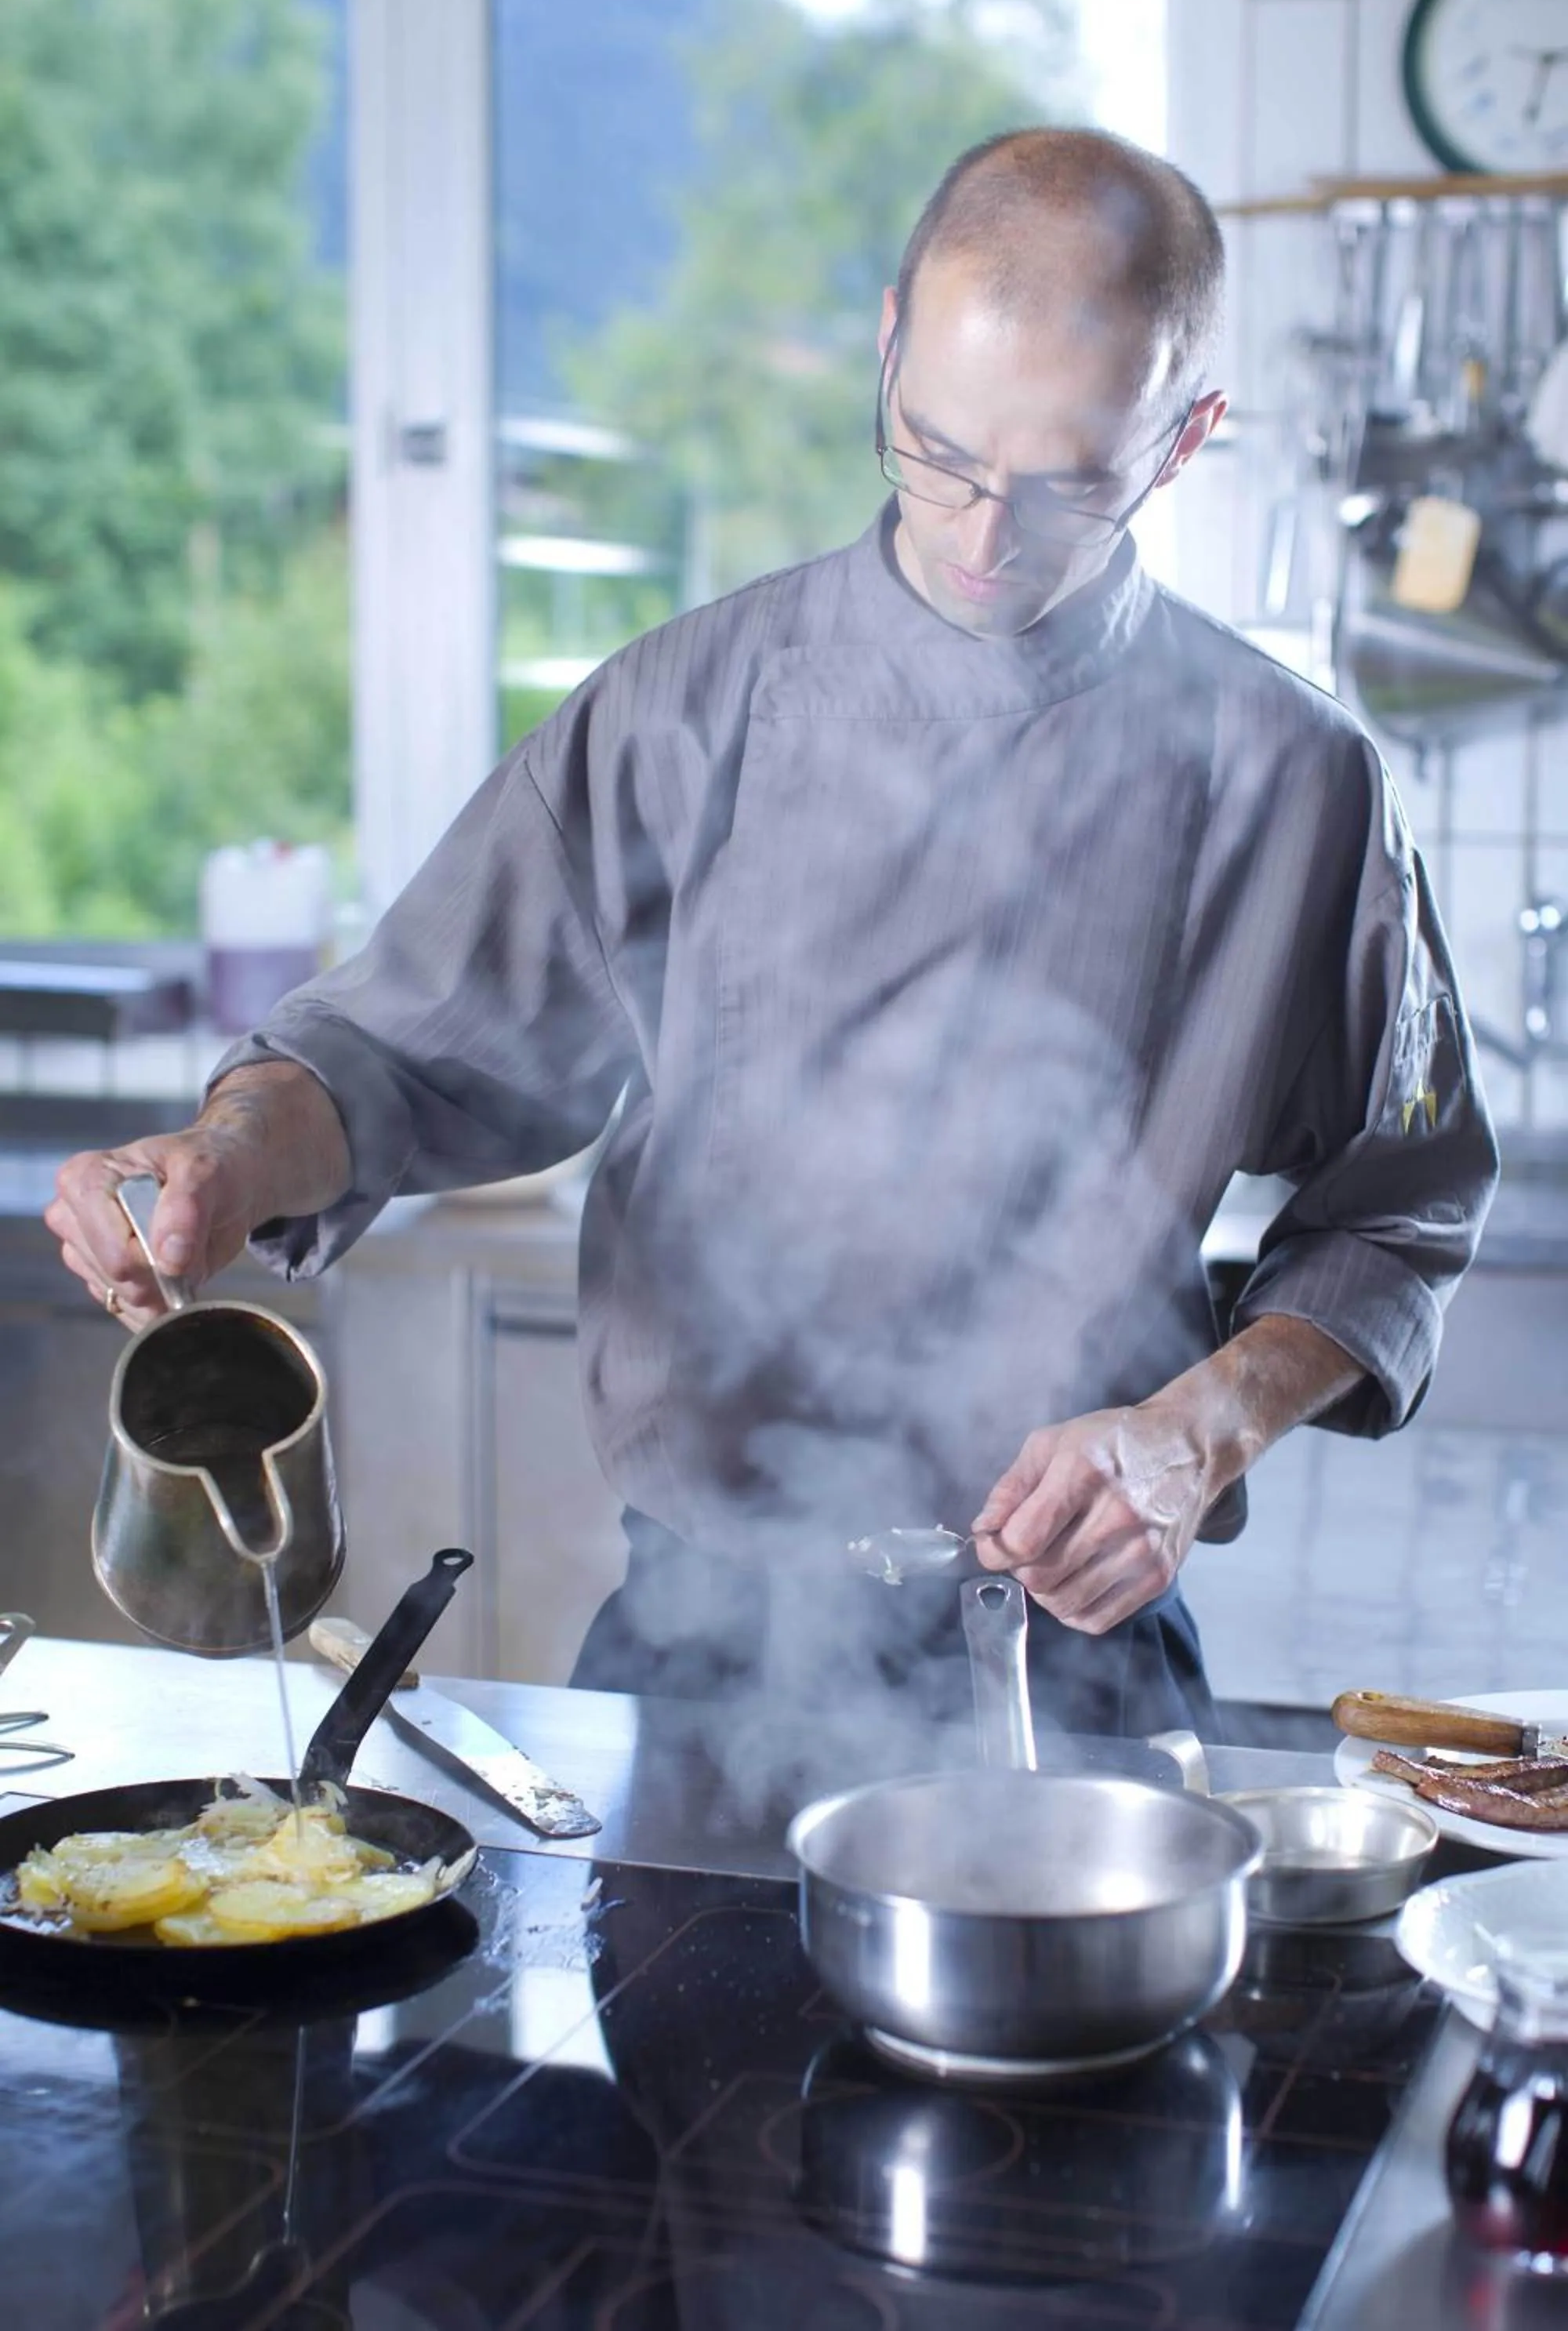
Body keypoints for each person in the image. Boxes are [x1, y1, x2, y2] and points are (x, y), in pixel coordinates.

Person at [48, 129, 1497, 1743]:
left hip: (1081, 1667)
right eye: (933, 451)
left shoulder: (1297, 784)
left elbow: (1402, 1210)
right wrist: (224, 1158)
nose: (980, 537)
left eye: (1066, 481)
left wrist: (1203, 1428)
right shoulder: (683, 715)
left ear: (1186, 438)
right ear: (887, 345)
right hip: (704, 1645)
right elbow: (384, 1055)